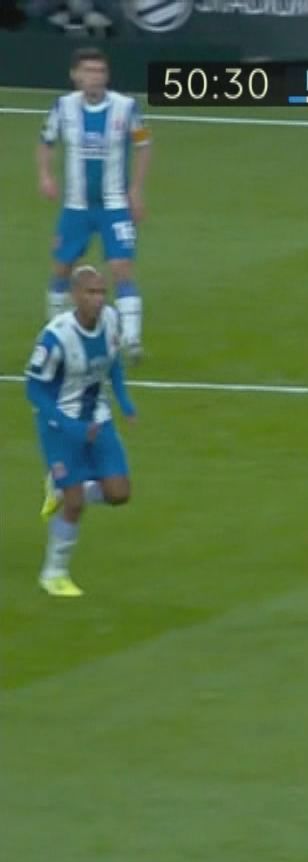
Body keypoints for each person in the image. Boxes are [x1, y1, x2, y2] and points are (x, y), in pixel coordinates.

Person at [26, 266, 135, 599]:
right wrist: (68, 425)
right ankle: (53, 574)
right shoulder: (56, 336)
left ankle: (60, 488)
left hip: (98, 419)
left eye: (102, 292)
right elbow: (35, 389)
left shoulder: (111, 320)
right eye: (91, 292)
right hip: (60, 425)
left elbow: (113, 363)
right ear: (75, 295)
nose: (98, 299)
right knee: (75, 504)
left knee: (120, 492)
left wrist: (124, 401)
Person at [39, 47, 149, 361]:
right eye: (88, 71)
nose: (95, 77)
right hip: (76, 206)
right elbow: (46, 141)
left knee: (121, 267)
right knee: (62, 268)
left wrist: (136, 189)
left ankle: (131, 340)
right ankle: (55, 332)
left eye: (100, 71)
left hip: (114, 205)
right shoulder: (63, 107)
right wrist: (45, 175)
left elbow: (143, 144)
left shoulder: (126, 107)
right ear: (75, 75)